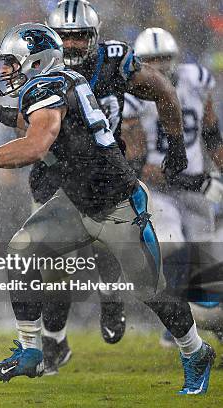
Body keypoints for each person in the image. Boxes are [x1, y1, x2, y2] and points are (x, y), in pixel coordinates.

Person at [0, 23, 215, 395]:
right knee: (21, 254)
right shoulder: (55, 82)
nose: (4, 71)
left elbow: (36, 144)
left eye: (10, 63)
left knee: (152, 290)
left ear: (34, 61)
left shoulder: (48, 87)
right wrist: (1, 115)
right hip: (76, 200)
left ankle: (195, 352)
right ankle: (31, 350)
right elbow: (39, 119)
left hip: (118, 204)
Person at [122, 27, 223, 348]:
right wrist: (194, 180)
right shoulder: (132, 98)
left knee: (206, 261)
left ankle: (197, 322)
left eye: (164, 58)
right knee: (172, 245)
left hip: (197, 189)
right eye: (151, 61)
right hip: (161, 190)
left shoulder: (196, 81)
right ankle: (180, 321)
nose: (159, 66)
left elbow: (211, 135)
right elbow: (139, 164)